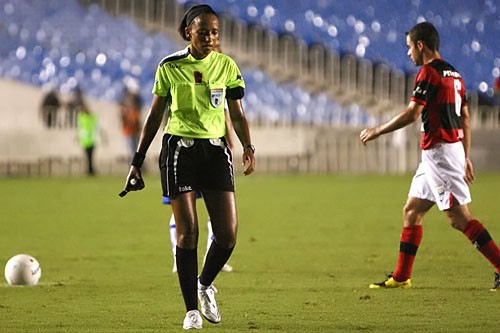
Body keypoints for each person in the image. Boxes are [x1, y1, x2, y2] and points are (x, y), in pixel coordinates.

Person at [122, 4, 256, 330]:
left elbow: (236, 113)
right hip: (179, 151)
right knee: (188, 233)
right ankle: (191, 310)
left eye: (214, 32)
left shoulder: (227, 66)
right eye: (203, 32)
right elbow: (154, 116)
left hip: (215, 153)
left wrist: (248, 146)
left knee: (227, 234)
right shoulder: (169, 67)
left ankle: (204, 284)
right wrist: (137, 162)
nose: (210, 38)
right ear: (187, 33)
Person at [359, 22, 500, 291]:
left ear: (420, 45)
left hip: (441, 154)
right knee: (411, 211)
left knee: (460, 219)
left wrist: (378, 130)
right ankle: (401, 277)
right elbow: (465, 118)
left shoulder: (428, 73)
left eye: (410, 47)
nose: (408, 53)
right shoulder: (455, 74)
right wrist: (466, 156)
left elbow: (413, 113)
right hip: (444, 152)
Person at [166, 38, 235, 275]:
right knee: (183, 212)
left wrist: (231, 141)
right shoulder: (181, 72)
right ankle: (179, 256)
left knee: (215, 212)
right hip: (186, 152)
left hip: (212, 153)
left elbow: (225, 111)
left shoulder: (220, 75)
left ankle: (210, 257)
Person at [119, 86, 142, 163]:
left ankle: (135, 165)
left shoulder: (133, 111)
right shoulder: (127, 111)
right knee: (132, 150)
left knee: (134, 150)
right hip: (129, 132)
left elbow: (136, 123)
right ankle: (133, 165)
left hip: (132, 132)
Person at [76, 97, 98, 176]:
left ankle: (90, 169)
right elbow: (80, 128)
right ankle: (89, 169)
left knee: (90, 156)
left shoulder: (89, 117)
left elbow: (95, 127)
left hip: (91, 139)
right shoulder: (82, 117)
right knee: (88, 156)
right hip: (86, 140)